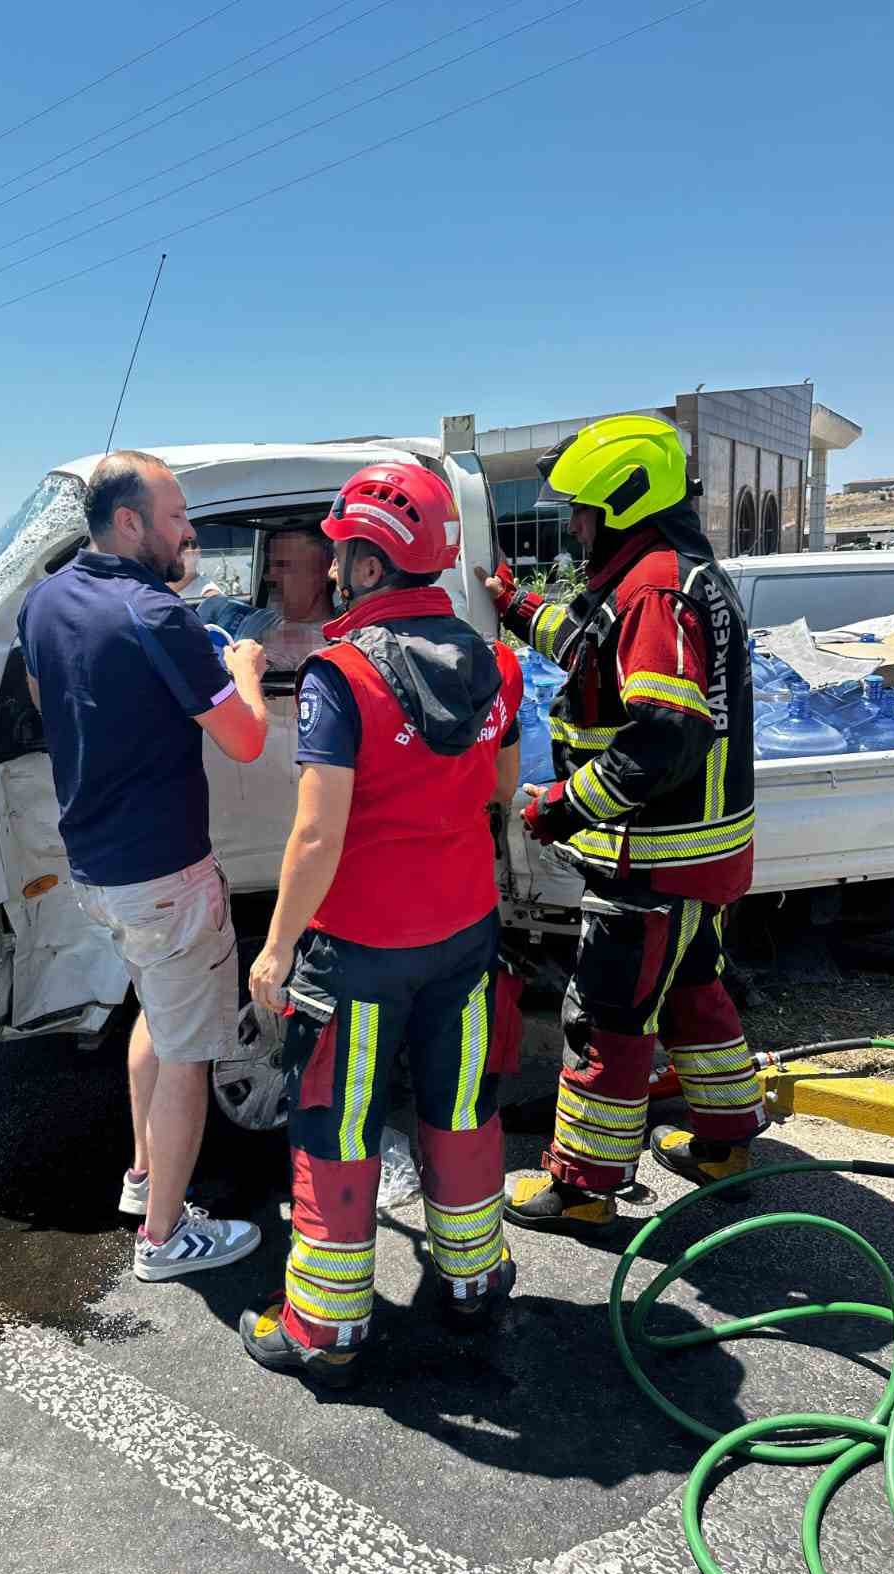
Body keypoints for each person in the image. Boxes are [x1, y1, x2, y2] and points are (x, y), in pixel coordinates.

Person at [237, 461, 524, 1387]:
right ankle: (474, 1277)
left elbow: (317, 832)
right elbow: (505, 790)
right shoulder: (498, 663)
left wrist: (277, 949)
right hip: (465, 933)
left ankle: (325, 1325)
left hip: (359, 950)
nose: (328, 569)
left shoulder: (339, 676)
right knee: (460, 1105)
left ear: (366, 564)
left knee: (338, 1122)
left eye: (339, 554)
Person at [479, 414, 766, 1236]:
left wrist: (564, 804)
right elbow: (595, 651)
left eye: (582, 509)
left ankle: (585, 1186)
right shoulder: (663, 573)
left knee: (605, 1016)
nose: (572, 523)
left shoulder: (655, 588)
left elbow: (663, 738)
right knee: (692, 994)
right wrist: (518, 605)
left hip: (655, 861)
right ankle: (726, 1141)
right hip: (696, 858)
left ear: (624, 502)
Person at [18, 450, 269, 1281]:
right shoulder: (159, 617)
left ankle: (140, 1176)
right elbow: (246, 737)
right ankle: (163, 1239)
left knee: (156, 1019)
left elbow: (59, 692)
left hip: (98, 865)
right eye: (176, 518)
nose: (189, 532)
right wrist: (243, 671)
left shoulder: (45, 600)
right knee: (190, 1051)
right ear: (130, 524)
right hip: (166, 873)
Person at [198, 525, 335, 670]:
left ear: (322, 573)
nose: (269, 576)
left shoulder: (310, 646)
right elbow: (217, 603)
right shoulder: (268, 618)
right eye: (270, 565)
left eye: (284, 565)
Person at [167, 534, 222, 600]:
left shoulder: (209, 595)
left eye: (179, 548)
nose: (172, 555)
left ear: (196, 552)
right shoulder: (156, 588)